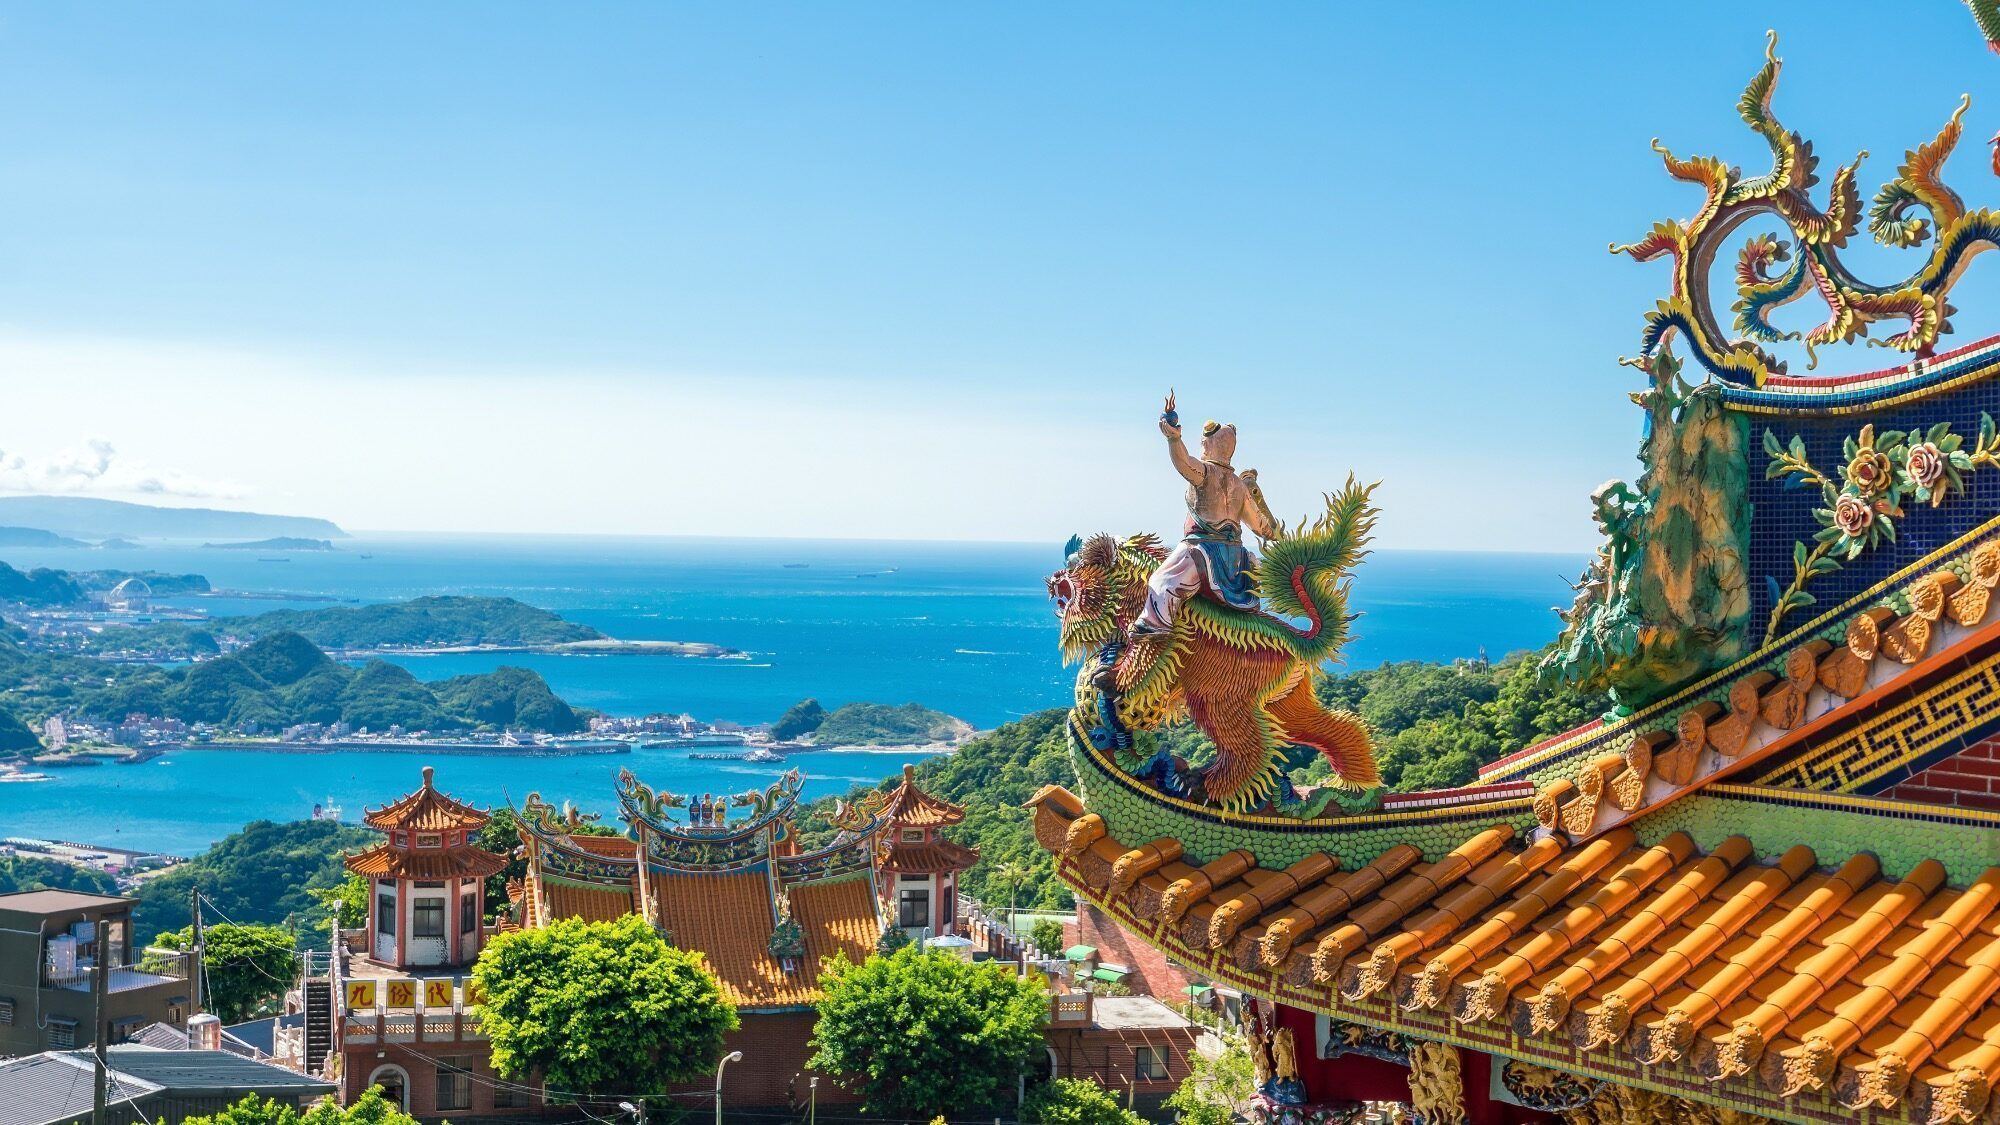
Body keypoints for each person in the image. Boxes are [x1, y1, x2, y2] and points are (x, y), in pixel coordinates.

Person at [1135, 391, 1279, 635]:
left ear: (1210, 446)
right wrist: (1271, 527)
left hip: (1201, 553)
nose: (1201, 447)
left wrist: (1174, 439)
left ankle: (1155, 629)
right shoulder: (1240, 486)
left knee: (1161, 584)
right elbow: (1262, 527)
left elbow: (1183, 462)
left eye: (1203, 444)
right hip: (1236, 561)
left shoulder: (1205, 473)